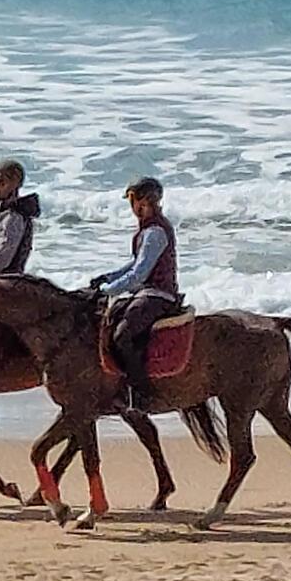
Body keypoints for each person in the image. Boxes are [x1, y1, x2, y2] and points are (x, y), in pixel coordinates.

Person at [90, 176, 182, 413]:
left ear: (143, 201)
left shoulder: (155, 232)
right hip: (146, 292)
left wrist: (107, 290)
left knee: (123, 335)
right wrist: (108, 277)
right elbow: (134, 264)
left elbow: (139, 273)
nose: (131, 207)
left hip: (157, 295)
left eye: (132, 201)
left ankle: (142, 393)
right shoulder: (148, 229)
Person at [0, 159, 41, 278]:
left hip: (2, 281)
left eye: (1, 182)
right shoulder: (9, 214)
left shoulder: (13, 217)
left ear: (15, 183)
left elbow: (3, 254)